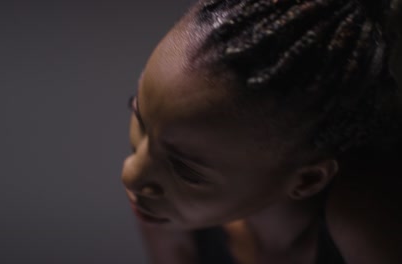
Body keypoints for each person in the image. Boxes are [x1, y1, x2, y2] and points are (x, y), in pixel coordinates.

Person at [121, 0, 402, 263]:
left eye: (187, 171)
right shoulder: (166, 212)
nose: (131, 173)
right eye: (139, 115)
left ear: (307, 180)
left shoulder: (362, 220)